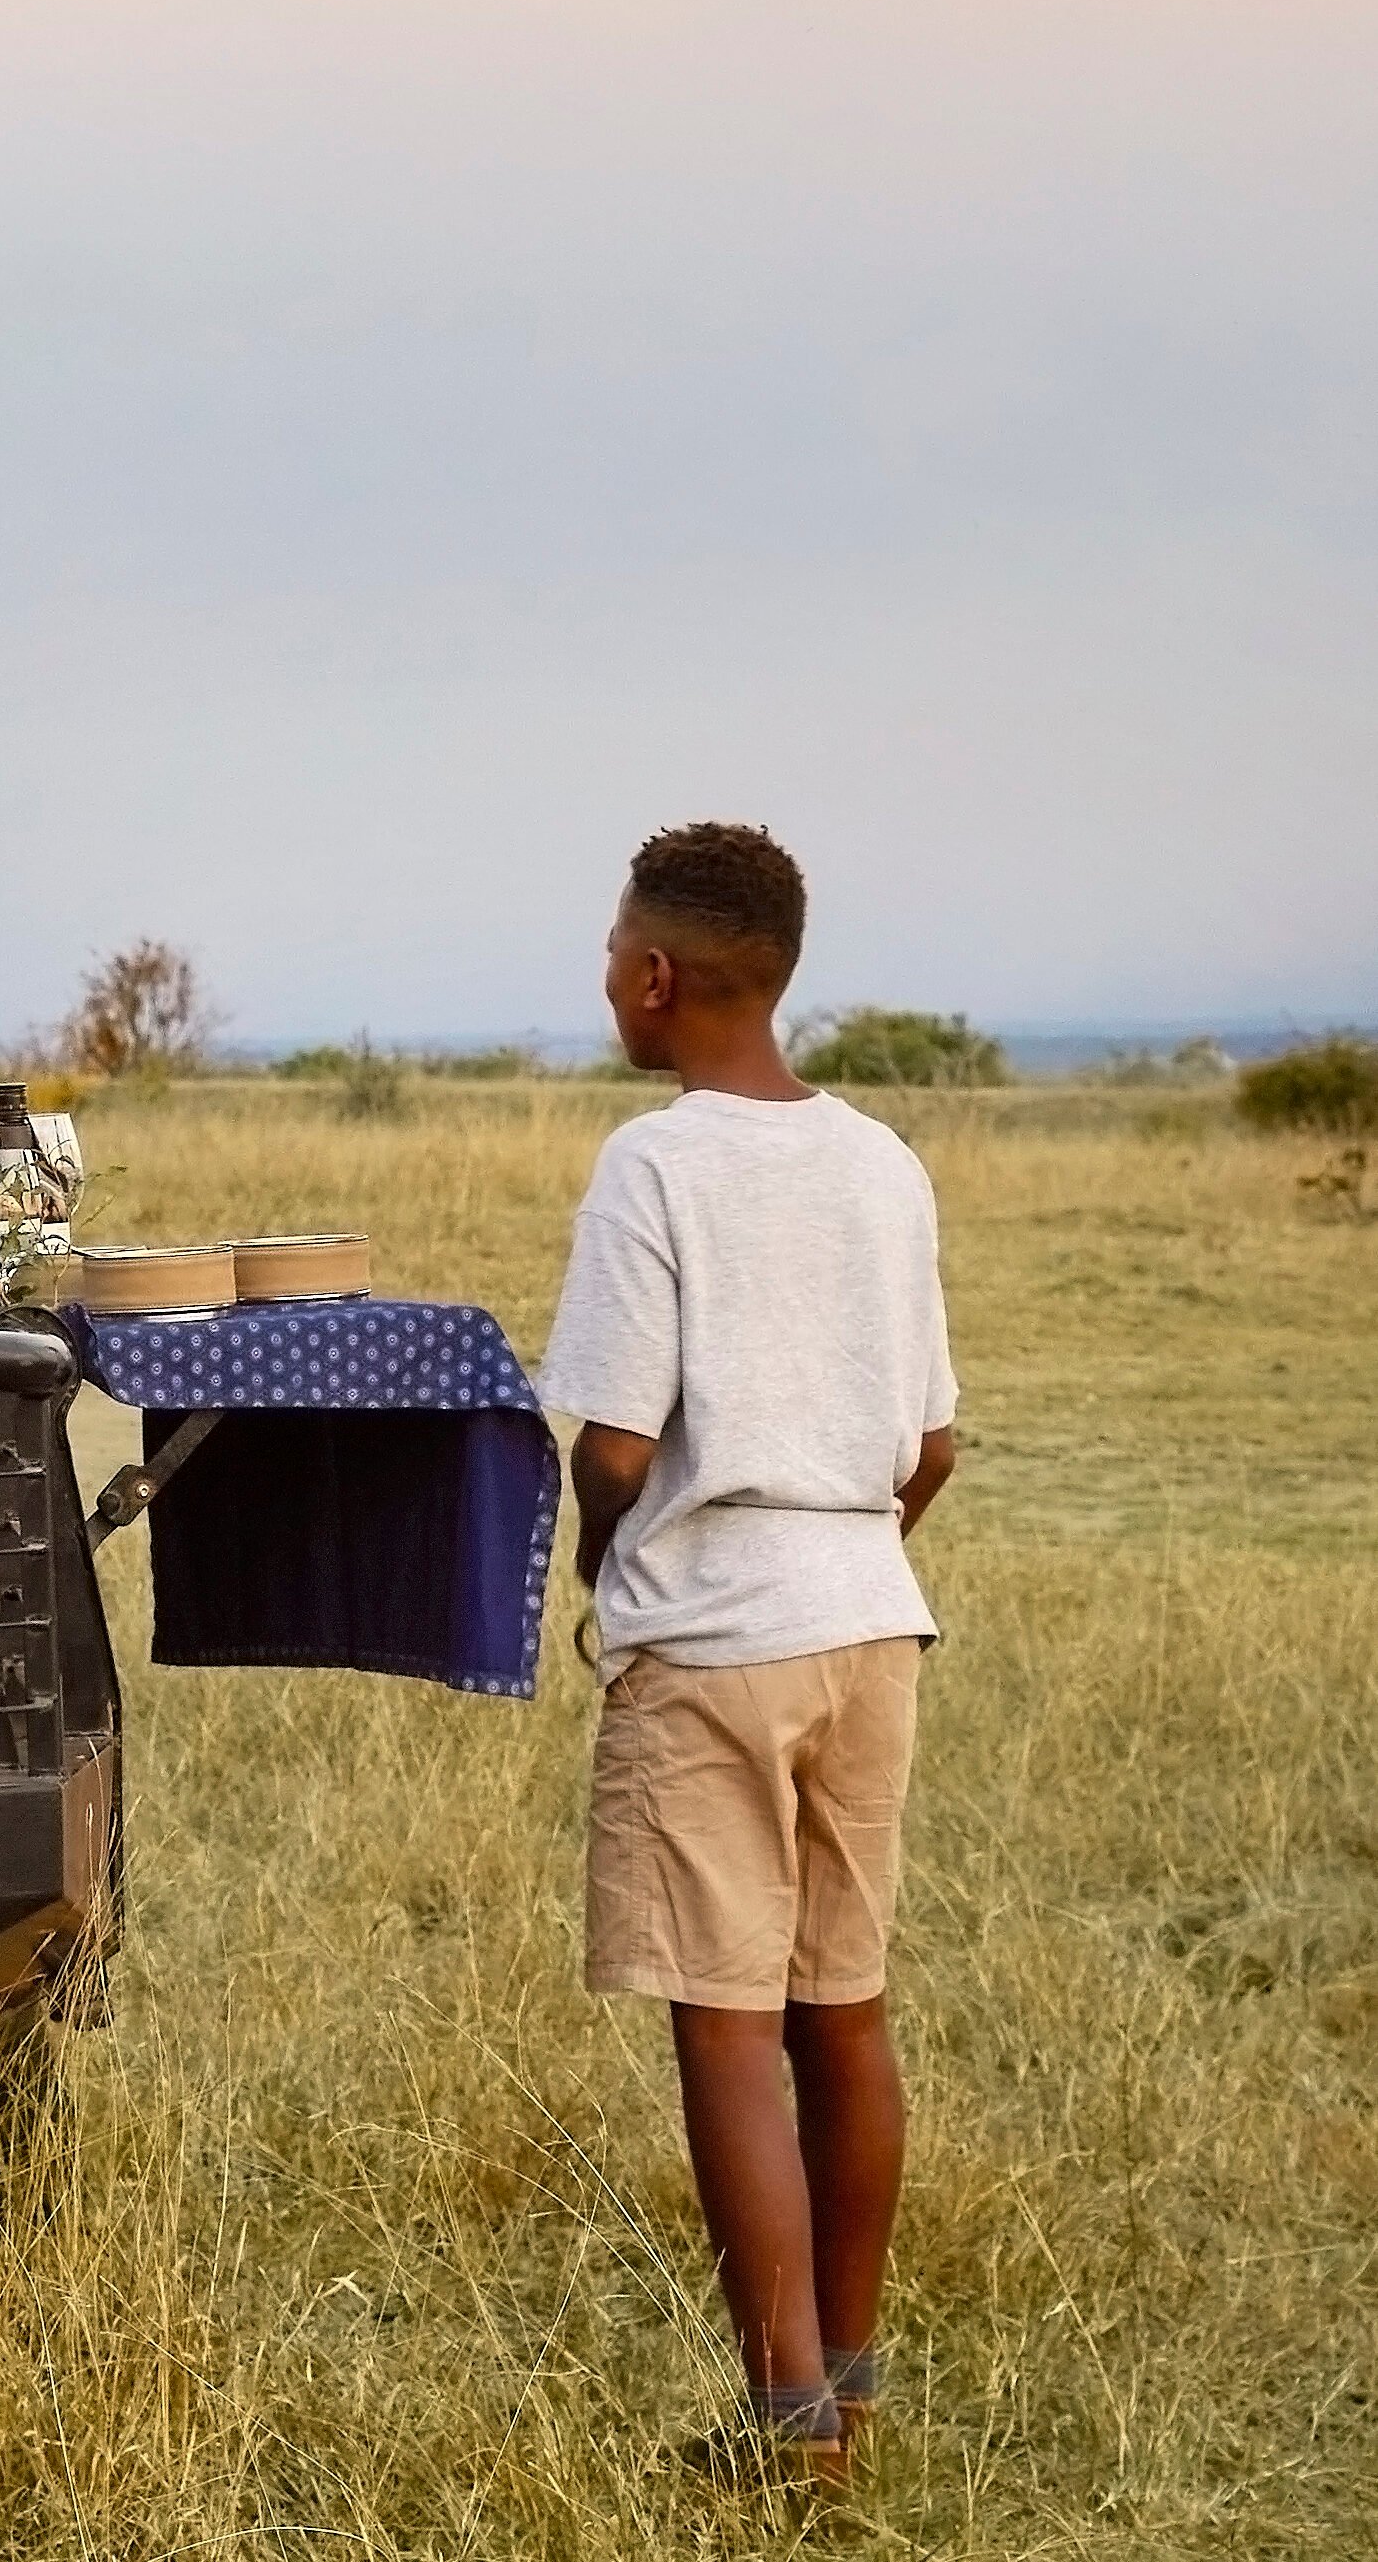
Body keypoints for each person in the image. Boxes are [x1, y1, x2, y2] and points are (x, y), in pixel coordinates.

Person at [538, 821, 961, 2490]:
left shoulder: (652, 1166)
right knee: (837, 2008)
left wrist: (601, 1566)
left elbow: (618, 1445)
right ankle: (842, 2386)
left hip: (713, 1640)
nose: (599, 973)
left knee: (723, 2025)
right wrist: (844, 1553)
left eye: (608, 948)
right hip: (868, 1621)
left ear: (653, 976)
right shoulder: (884, 1160)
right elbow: (928, 1444)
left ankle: (781, 2426)